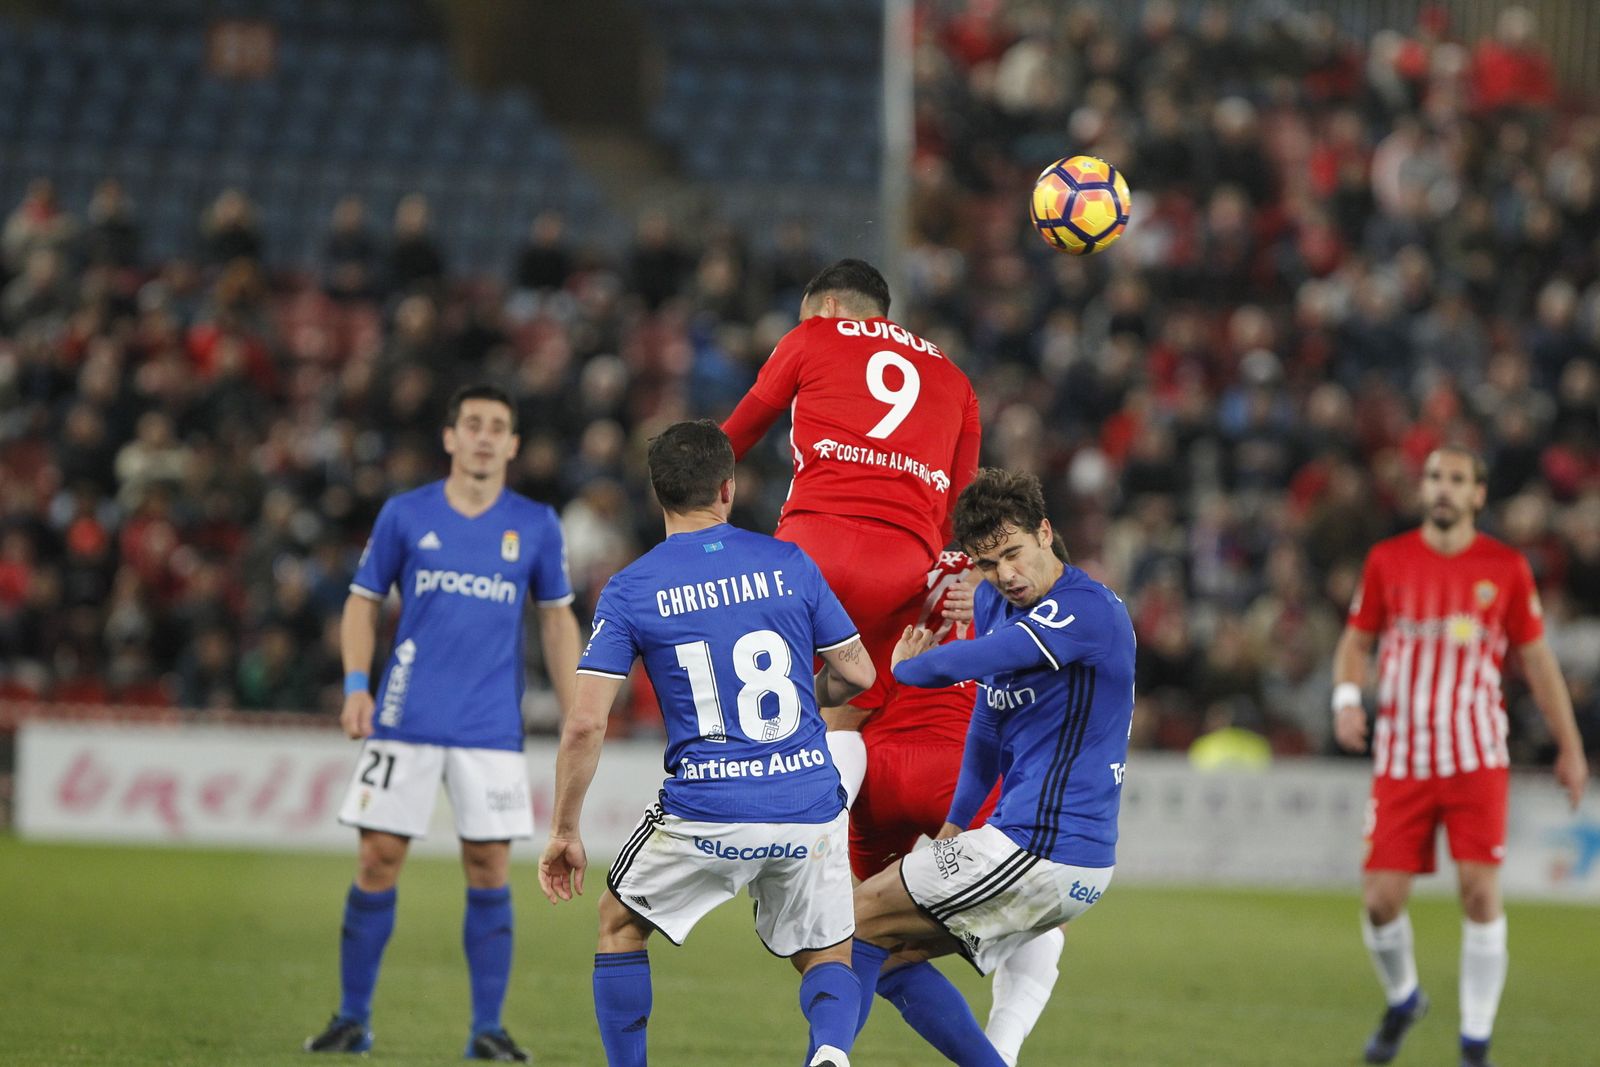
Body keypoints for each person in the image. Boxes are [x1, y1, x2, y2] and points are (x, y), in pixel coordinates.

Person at [538, 420, 876, 1067]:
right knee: (827, 952)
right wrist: (807, 694)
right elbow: (858, 675)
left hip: (709, 806)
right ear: (729, 487)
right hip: (807, 798)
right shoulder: (788, 562)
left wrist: (564, 829)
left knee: (619, 922)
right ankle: (831, 1050)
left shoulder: (632, 587)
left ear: (657, 492)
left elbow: (584, 723)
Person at [305, 384, 581, 1061]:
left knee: (489, 867)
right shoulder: (406, 513)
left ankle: (487, 1029)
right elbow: (362, 602)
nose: (485, 436)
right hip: (404, 716)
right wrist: (355, 685)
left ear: (513, 445)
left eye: (497, 427)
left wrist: (579, 710)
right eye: (473, 424)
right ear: (450, 437)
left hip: (490, 725)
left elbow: (556, 620)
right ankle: (352, 1019)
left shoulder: (537, 524)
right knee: (377, 859)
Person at [848, 468, 1136, 1066]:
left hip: (1046, 850)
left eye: (1013, 553)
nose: (1005, 573)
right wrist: (953, 829)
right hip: (1030, 847)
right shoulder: (991, 600)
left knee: (847, 925)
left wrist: (905, 668)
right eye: (986, 562)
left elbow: (976, 659)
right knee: (890, 948)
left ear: (1045, 533)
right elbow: (985, 729)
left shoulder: (1087, 610)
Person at [1332, 446, 1588, 1067]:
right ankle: (1404, 999)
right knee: (1380, 901)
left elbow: (1538, 662)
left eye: (1455, 479)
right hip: (1403, 758)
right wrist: (1346, 700)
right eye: (1433, 478)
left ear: (1478, 494)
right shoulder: (1388, 560)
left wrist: (1571, 747)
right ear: (1423, 490)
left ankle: (1475, 1043)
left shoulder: (1505, 568)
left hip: (1476, 754)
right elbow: (1356, 643)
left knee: (1478, 892)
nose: (1442, 488)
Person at [721, 258, 982, 807]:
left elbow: (735, 437)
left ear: (830, 306)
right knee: (847, 710)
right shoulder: (958, 382)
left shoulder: (813, 335)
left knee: (767, 691)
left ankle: (755, 826)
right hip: (902, 564)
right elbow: (961, 510)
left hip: (810, 545)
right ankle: (826, 841)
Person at [851, 549, 1065, 1067]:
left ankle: (828, 1050)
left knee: (861, 933)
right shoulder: (1013, 587)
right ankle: (1001, 1053)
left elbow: (842, 697)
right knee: (1042, 913)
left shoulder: (889, 571)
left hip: (879, 767)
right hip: (959, 763)